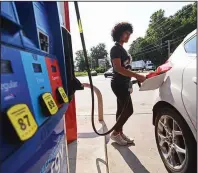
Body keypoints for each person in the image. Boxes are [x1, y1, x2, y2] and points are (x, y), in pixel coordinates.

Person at [110, 22, 146, 145]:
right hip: (118, 84)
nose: (128, 36)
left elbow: (126, 68)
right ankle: (115, 133)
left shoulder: (121, 49)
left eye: (129, 34)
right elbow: (118, 69)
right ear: (119, 33)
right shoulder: (115, 49)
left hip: (124, 83)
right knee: (128, 110)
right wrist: (137, 76)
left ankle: (119, 133)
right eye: (126, 33)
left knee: (121, 110)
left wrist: (132, 80)